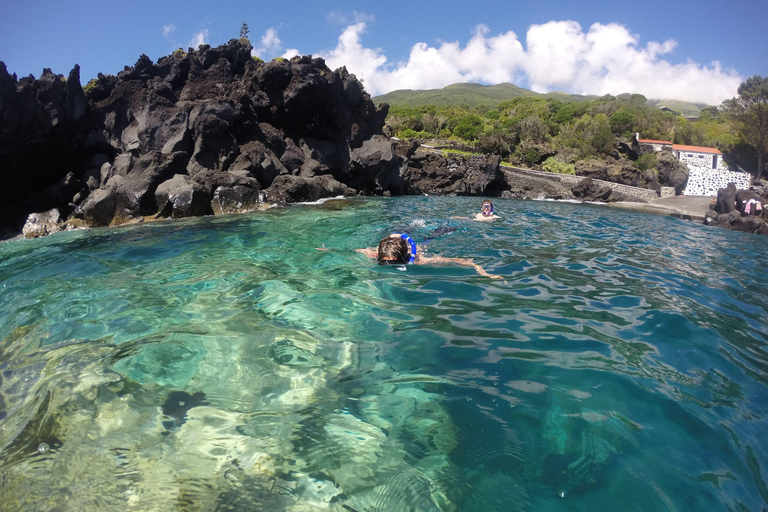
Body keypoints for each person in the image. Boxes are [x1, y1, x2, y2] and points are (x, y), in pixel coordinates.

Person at [356, 233, 504, 280]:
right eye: (384, 262)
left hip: (420, 247)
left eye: (393, 262)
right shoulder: (375, 255)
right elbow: (353, 250)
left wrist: (484, 272)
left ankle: (437, 233)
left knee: (427, 240)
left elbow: (459, 261)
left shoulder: (420, 261)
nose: (388, 265)